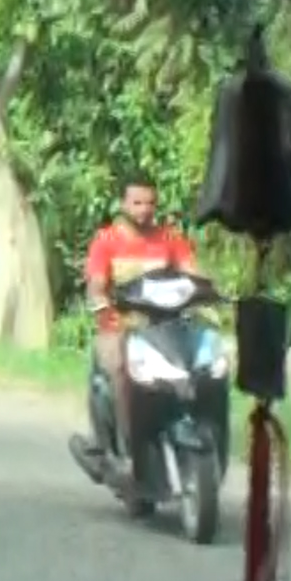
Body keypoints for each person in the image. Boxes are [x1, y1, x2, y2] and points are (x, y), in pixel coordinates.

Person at [79, 175, 200, 497]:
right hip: (118, 328)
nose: (144, 210)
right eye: (137, 202)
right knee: (121, 368)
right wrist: (100, 301)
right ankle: (128, 449)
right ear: (123, 204)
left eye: (150, 203)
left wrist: (206, 293)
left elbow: (192, 273)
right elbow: (96, 284)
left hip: (164, 329)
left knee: (202, 363)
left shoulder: (170, 239)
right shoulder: (107, 241)